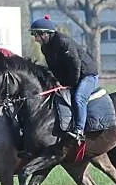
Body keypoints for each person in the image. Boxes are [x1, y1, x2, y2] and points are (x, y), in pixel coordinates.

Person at [29, 15, 99, 143]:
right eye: (34, 35)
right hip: (72, 76)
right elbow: (54, 68)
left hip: (87, 75)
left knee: (79, 97)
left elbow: (75, 65)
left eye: (37, 35)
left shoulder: (63, 42)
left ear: (46, 34)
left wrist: (71, 84)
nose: (35, 39)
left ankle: (79, 131)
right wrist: (56, 82)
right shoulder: (45, 47)